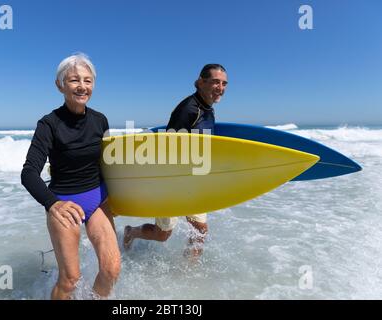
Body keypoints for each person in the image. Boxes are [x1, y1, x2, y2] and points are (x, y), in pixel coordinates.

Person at [21, 53, 121, 300]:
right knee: (70, 279)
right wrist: (52, 203)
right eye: (74, 80)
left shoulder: (100, 120)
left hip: (98, 201)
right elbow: (29, 172)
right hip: (64, 204)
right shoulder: (49, 124)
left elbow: (108, 163)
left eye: (88, 80)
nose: (82, 86)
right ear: (60, 85)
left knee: (111, 270)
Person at [123, 64, 228, 259]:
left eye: (224, 83)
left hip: (193, 178)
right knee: (163, 234)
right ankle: (131, 232)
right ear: (200, 83)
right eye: (215, 82)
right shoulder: (189, 109)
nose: (220, 87)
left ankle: (188, 272)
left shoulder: (209, 109)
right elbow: (168, 147)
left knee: (200, 230)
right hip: (172, 179)